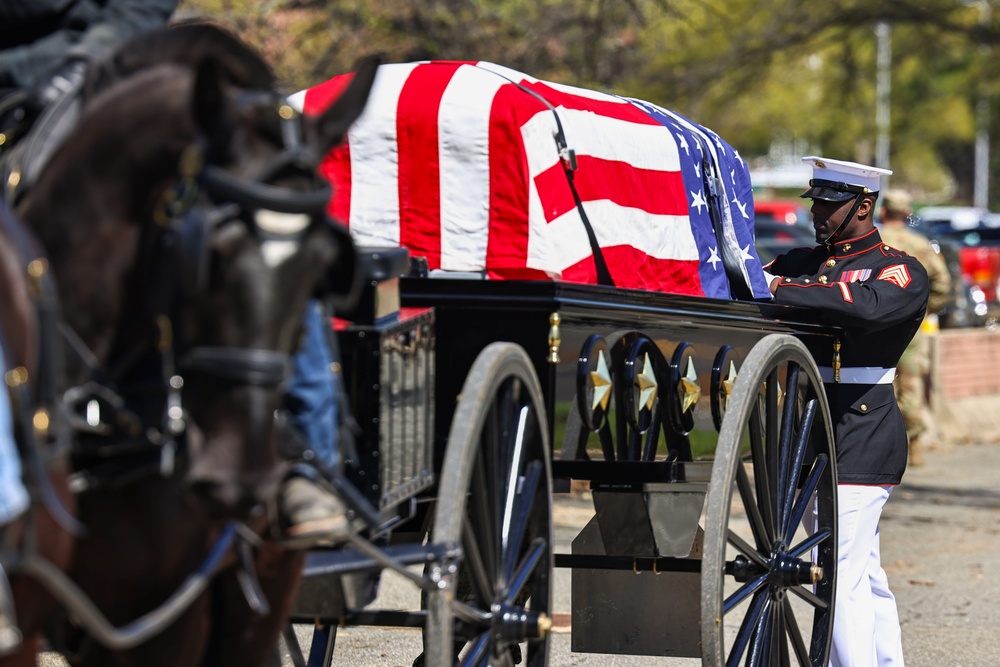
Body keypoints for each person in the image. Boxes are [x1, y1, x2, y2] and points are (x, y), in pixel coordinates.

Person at [0, 1, 350, 548]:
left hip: (115, 60)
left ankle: (305, 459)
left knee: (262, 206)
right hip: (13, 85)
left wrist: (83, 60)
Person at [764, 156, 929, 667]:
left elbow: (867, 306)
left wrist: (782, 290)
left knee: (836, 573)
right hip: (810, 429)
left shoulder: (897, 268)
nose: (817, 213)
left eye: (829, 205)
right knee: (862, 572)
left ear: (863, 205)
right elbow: (749, 283)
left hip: (862, 429)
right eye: (815, 203)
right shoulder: (802, 262)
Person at [878, 189, 951, 467]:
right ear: (907, 213)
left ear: (883, 211)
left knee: (875, 380)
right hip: (910, 325)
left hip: (874, 323)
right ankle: (914, 445)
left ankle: (881, 446)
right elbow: (942, 282)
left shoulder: (873, 241)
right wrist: (925, 308)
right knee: (910, 384)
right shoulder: (920, 244)